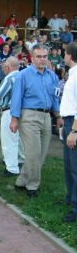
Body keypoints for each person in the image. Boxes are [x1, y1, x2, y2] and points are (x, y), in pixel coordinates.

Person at [10, 44, 62, 198]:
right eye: (39, 56)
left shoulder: (52, 76)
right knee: (33, 153)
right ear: (32, 58)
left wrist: (58, 116)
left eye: (45, 56)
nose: (42, 59)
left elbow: (55, 97)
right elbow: (16, 98)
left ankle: (22, 180)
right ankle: (33, 186)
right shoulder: (23, 75)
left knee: (41, 153)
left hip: (46, 116)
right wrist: (14, 119)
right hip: (29, 116)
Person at [0, 57, 24, 176]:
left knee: (8, 140)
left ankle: (11, 168)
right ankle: (21, 161)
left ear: (8, 67)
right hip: (23, 111)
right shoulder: (23, 76)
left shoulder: (9, 78)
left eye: (4, 67)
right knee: (19, 140)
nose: (3, 69)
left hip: (9, 111)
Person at [59, 43, 77, 222]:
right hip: (68, 121)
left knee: (75, 166)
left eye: (65, 53)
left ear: (70, 56)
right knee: (68, 164)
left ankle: (76, 206)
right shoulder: (72, 74)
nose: (64, 56)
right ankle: (70, 197)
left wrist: (74, 130)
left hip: (74, 123)